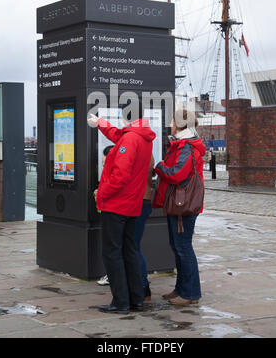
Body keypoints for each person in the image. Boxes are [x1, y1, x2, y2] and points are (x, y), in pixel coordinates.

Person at [88, 109, 156, 314]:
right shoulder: (141, 136)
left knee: (112, 253)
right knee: (130, 251)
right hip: (133, 204)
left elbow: (120, 176)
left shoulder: (130, 139)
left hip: (117, 204)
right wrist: (100, 123)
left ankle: (120, 302)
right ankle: (136, 299)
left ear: (126, 118)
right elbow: (119, 136)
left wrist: (102, 194)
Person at [153, 110, 206, 306]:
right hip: (178, 205)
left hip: (183, 207)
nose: (171, 123)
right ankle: (181, 289)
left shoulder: (186, 147)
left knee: (183, 248)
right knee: (178, 248)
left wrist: (158, 165)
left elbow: (177, 175)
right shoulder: (181, 144)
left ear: (180, 124)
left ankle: (191, 293)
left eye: (173, 120)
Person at [134, 153, 155, 301]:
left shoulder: (134, 145)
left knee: (132, 247)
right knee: (133, 247)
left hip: (137, 201)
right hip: (144, 200)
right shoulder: (146, 147)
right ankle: (142, 288)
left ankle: (142, 287)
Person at [95, 145, 114, 286]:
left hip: (113, 210)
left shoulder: (113, 171)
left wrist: (100, 194)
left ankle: (112, 276)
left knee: (112, 248)